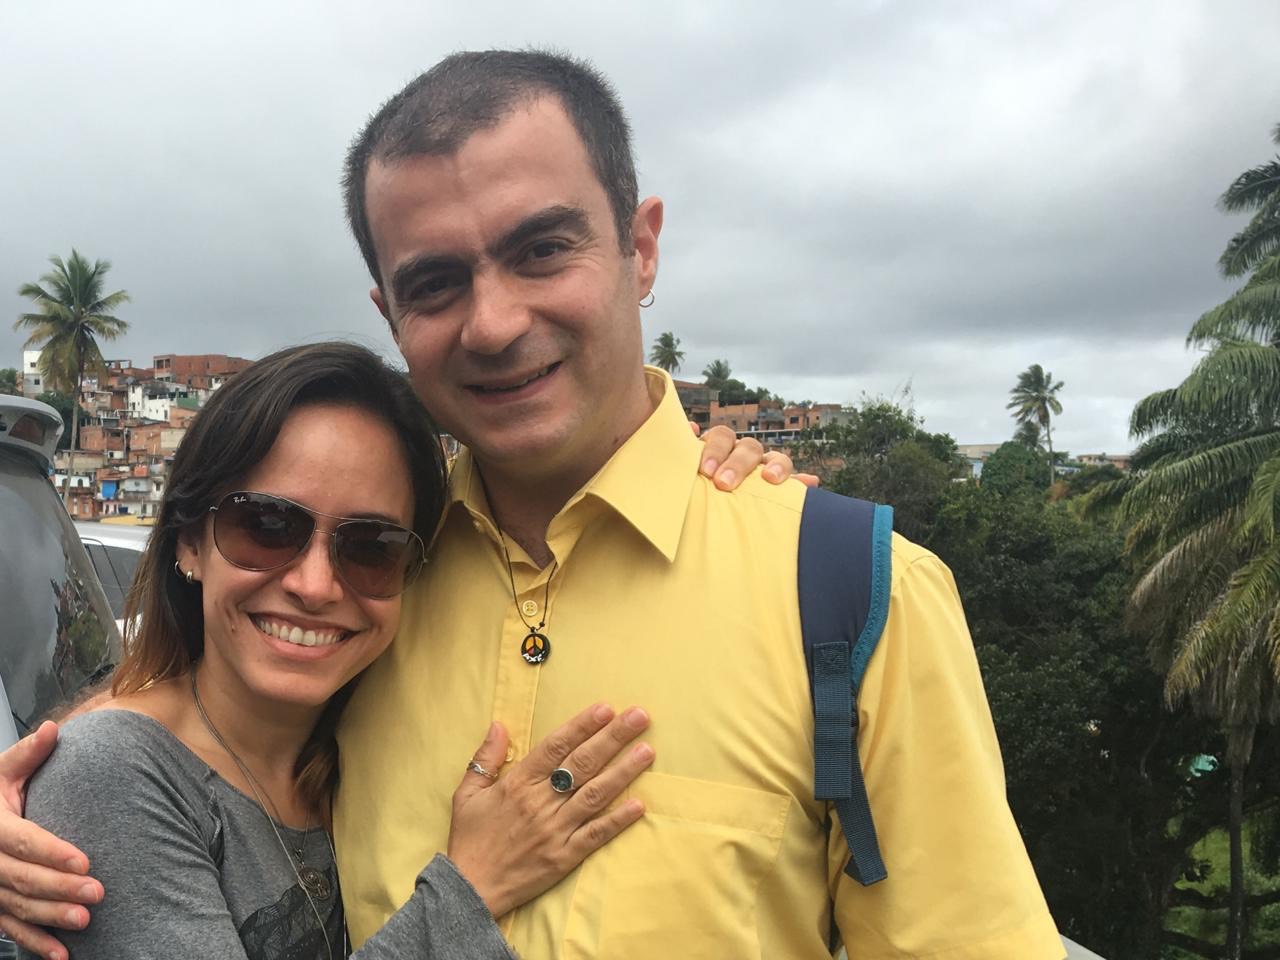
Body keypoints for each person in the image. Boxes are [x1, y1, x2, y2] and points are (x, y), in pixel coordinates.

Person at [0, 50, 1064, 959]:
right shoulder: (382, 581)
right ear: (389, 312)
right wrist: (45, 789)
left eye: (541, 249)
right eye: (435, 283)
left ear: (640, 247)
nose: (494, 323)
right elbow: (200, 724)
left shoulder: (843, 590)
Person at [19, 341, 665, 959]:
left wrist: (682, 458)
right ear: (189, 542)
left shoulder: (350, 752)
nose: (316, 586)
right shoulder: (116, 772)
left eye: (371, 548)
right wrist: (470, 889)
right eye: (268, 526)